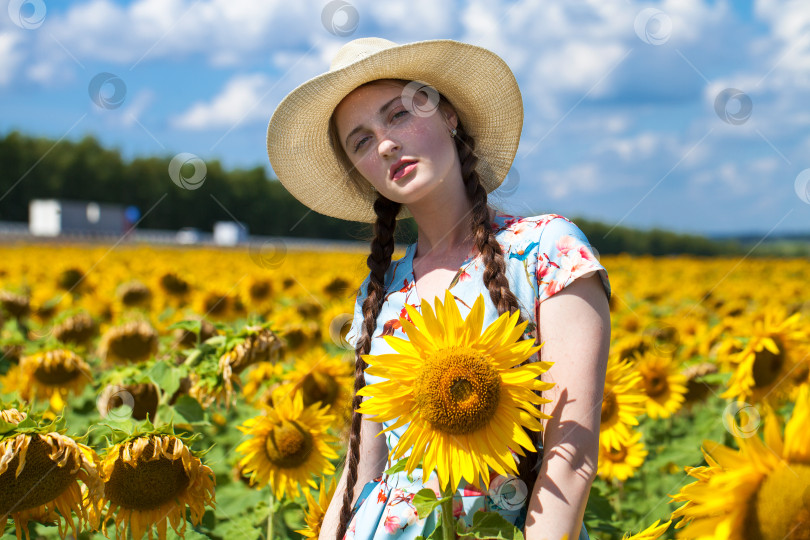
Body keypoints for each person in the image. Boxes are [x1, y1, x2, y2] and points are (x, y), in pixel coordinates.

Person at [266, 37, 611, 540]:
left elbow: (572, 457)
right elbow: (363, 469)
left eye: (398, 115)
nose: (384, 144)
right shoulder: (380, 292)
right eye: (360, 141)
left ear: (448, 114)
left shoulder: (546, 251)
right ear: (362, 172)